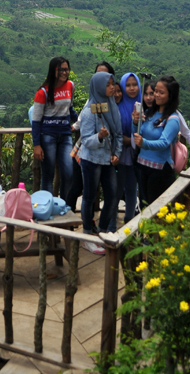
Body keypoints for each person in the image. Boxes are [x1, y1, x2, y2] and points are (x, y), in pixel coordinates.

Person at [79, 69, 122, 253]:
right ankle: (87, 233)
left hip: (108, 160)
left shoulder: (112, 106)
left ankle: (102, 231)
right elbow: (86, 139)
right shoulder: (89, 110)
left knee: (112, 196)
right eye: (108, 85)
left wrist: (117, 154)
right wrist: (100, 136)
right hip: (91, 159)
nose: (112, 88)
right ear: (98, 87)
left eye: (113, 84)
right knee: (89, 196)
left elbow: (118, 134)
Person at [31, 56, 77, 201]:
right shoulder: (43, 92)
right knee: (48, 174)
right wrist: (36, 144)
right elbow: (36, 120)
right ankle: (48, 207)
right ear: (53, 71)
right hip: (48, 135)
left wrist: (79, 121)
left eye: (67, 69)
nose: (65, 72)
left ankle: (64, 206)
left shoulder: (70, 85)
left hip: (65, 134)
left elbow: (70, 108)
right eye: (61, 70)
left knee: (69, 173)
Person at [134, 75, 181, 206]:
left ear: (170, 96)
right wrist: (135, 122)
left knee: (157, 209)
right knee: (144, 206)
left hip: (160, 171)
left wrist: (144, 143)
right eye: (156, 91)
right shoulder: (150, 113)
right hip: (142, 166)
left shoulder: (173, 119)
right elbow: (139, 133)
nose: (157, 95)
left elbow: (164, 142)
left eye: (161, 92)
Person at [114, 72, 141, 227]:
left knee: (132, 189)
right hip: (120, 153)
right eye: (128, 85)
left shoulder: (143, 104)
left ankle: (129, 222)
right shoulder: (117, 104)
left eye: (134, 84)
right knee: (117, 190)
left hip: (138, 154)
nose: (131, 88)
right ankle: (111, 224)